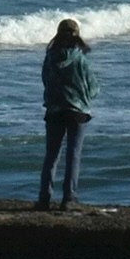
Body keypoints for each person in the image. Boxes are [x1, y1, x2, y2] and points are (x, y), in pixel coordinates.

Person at [38, 18, 94, 210]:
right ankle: (69, 199)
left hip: (54, 111)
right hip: (77, 112)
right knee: (73, 155)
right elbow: (93, 87)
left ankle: (44, 199)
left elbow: (45, 80)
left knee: (51, 155)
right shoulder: (80, 59)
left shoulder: (50, 57)